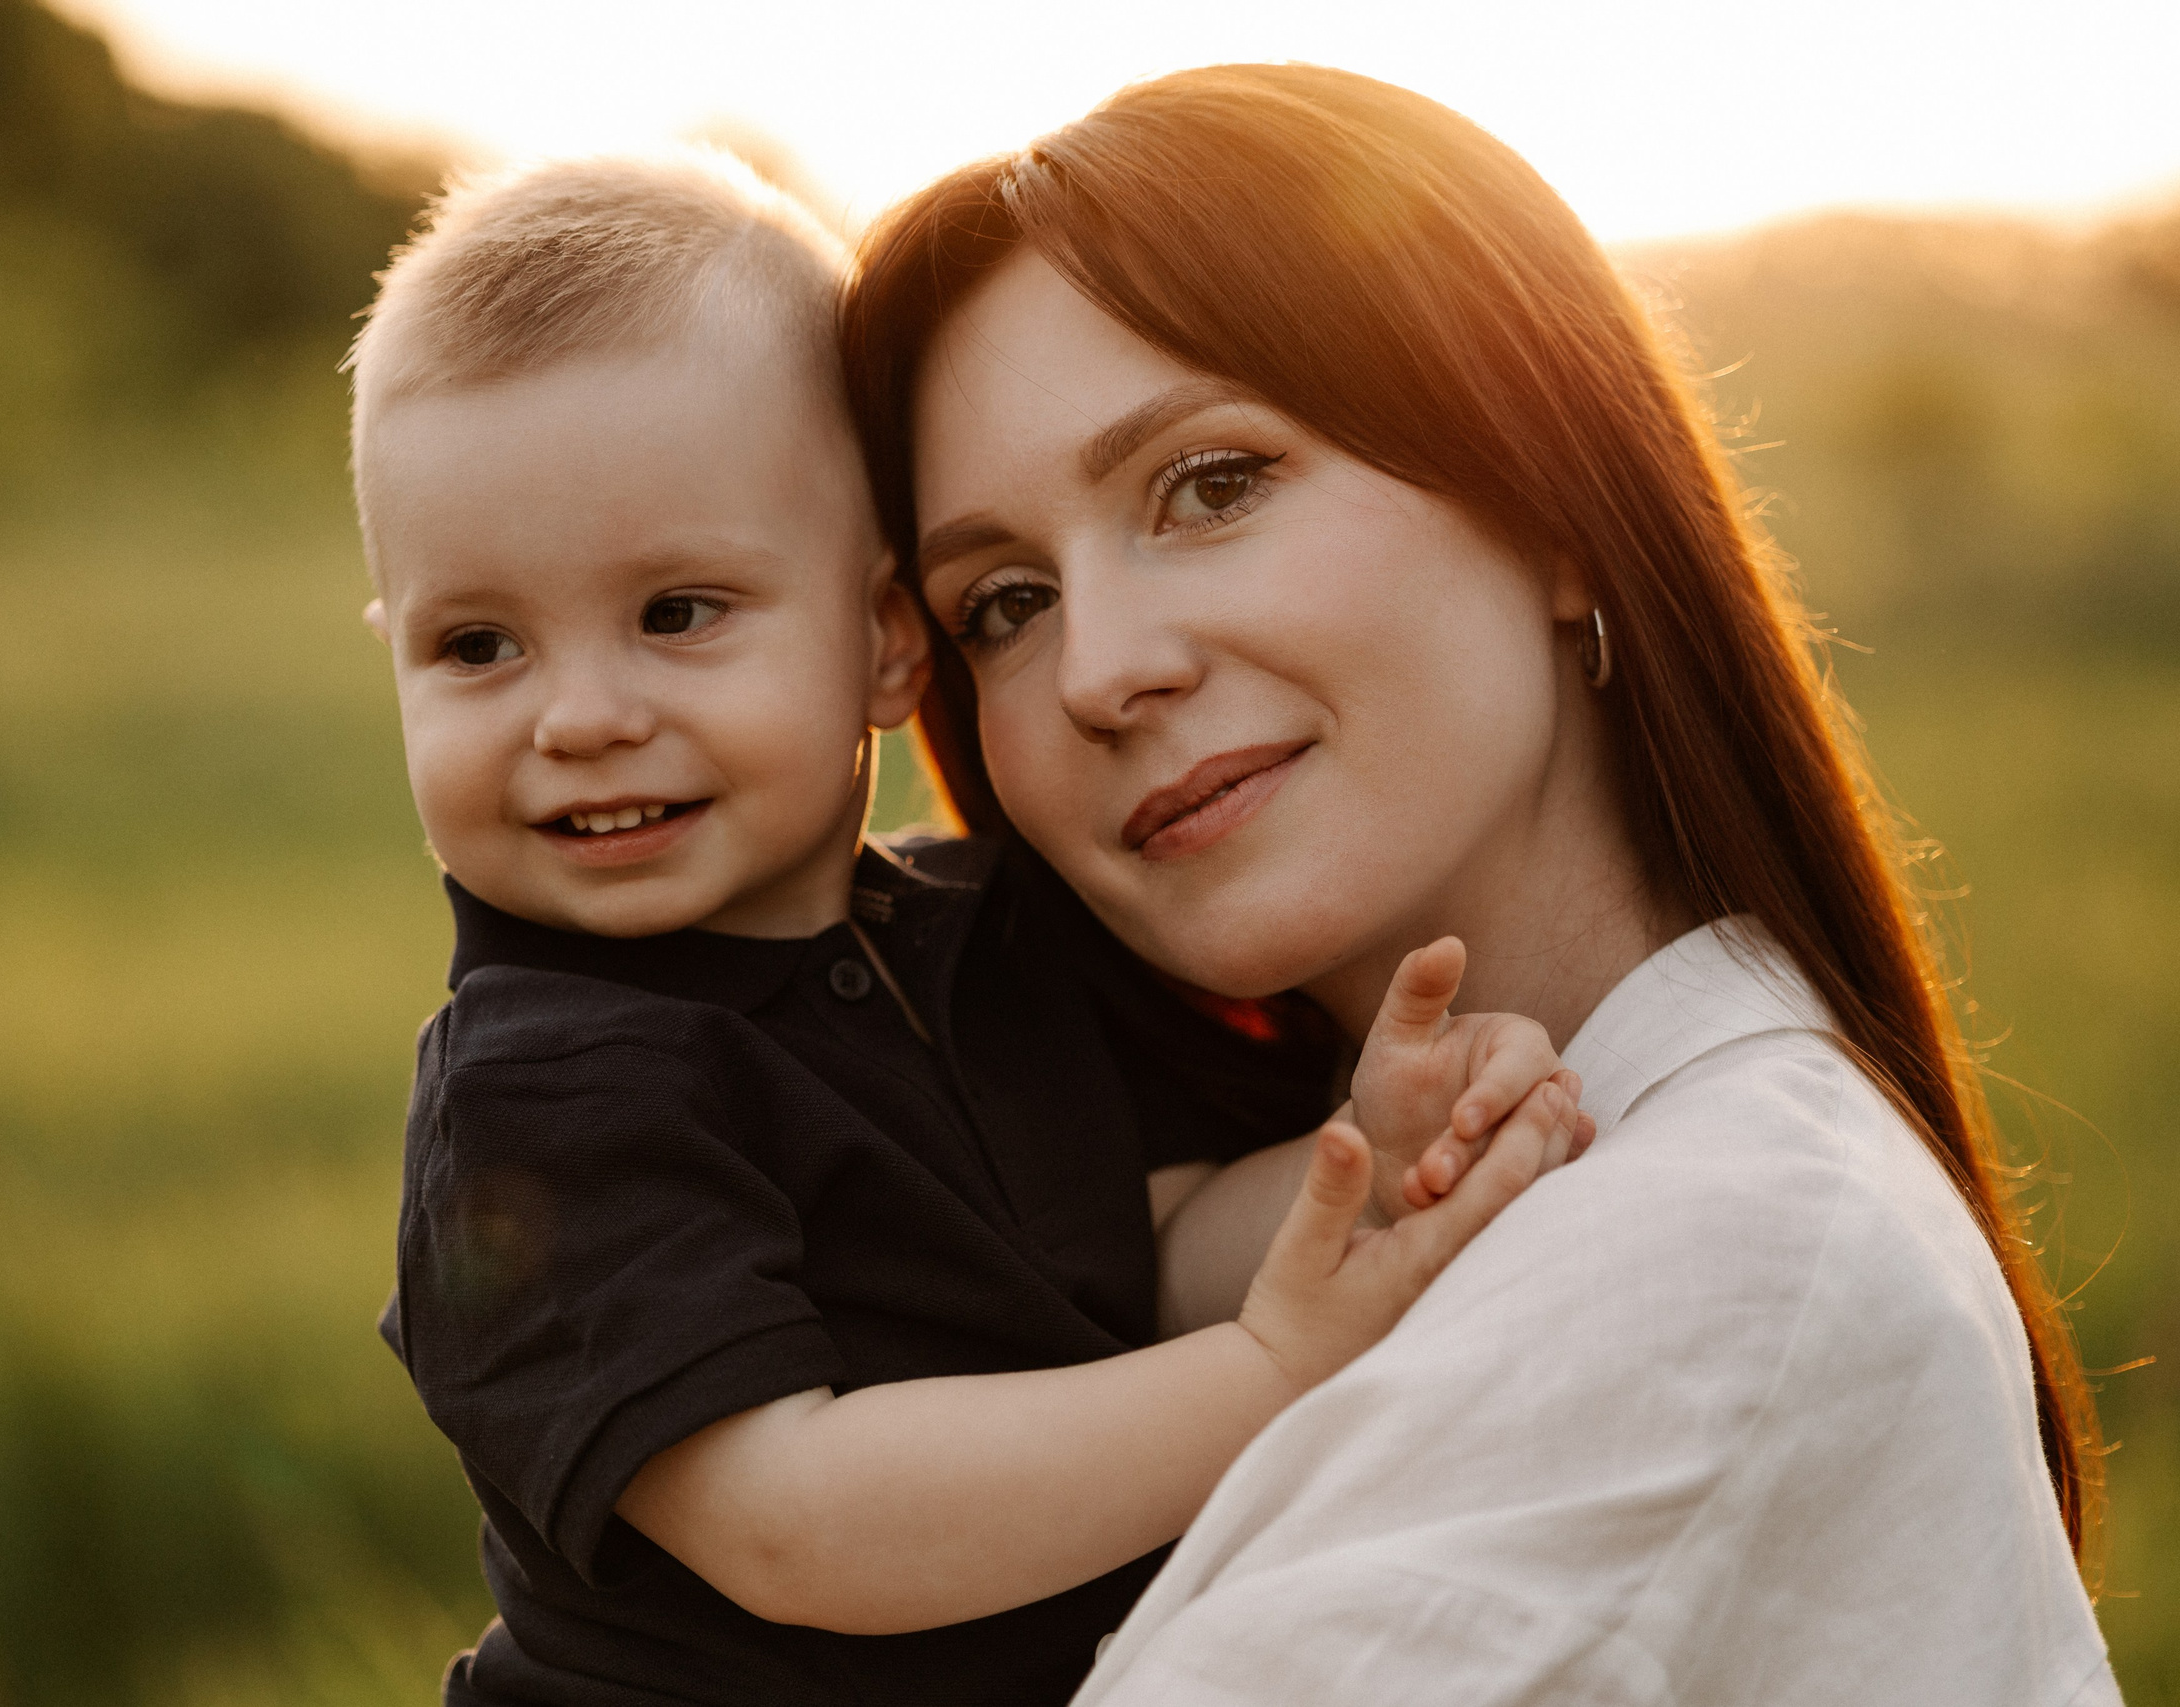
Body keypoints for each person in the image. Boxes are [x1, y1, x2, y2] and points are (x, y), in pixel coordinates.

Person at [842, 62, 2118, 1706]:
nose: (1100, 669)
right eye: (1003, 600)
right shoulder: (1238, 1248)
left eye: (1212, 484)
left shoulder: (1710, 1259)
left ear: (1557, 505)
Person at [346, 149, 1589, 1707]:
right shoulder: (547, 1092)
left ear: (883, 641)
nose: (582, 716)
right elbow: (801, 1528)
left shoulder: (988, 933)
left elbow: (1149, 1245)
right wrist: (1270, 1373)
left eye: (676, 614)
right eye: (479, 645)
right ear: (393, 658)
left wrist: (1360, 1169)